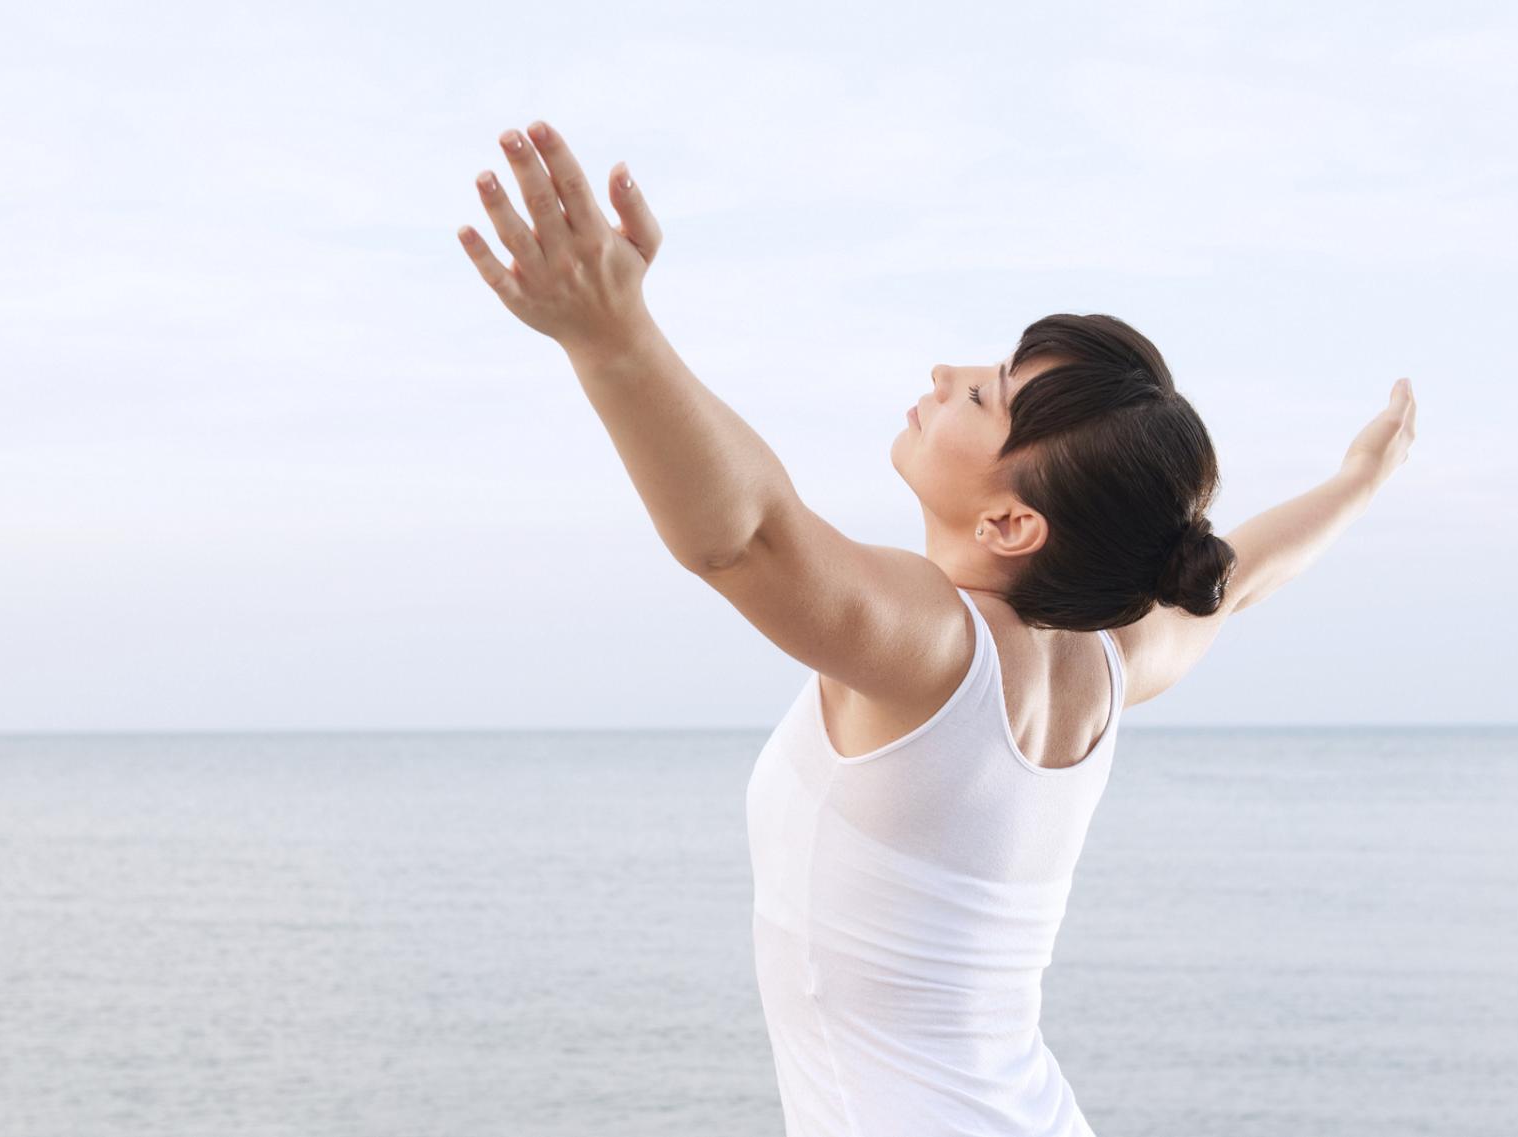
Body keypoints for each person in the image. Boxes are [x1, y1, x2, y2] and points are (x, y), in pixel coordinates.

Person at [458, 120, 1418, 1136]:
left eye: (980, 394)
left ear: (1011, 522)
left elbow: (745, 538)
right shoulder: (1107, 657)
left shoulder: (937, 648)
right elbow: (1243, 574)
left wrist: (613, 336)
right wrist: (1357, 482)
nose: (942, 371)